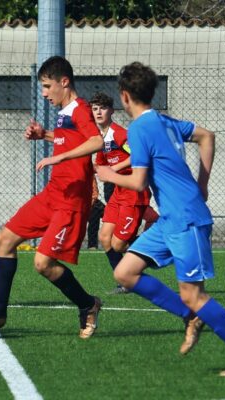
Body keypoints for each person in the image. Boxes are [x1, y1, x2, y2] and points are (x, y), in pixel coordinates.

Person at [96, 62, 225, 376]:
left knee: (194, 294)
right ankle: (190, 317)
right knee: (125, 272)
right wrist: (203, 183)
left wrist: (107, 174)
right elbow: (206, 136)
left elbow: (138, 182)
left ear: (124, 96)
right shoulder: (164, 121)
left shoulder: (139, 127)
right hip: (170, 219)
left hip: (186, 219)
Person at [0, 56, 104, 339]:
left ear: (64, 82)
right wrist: (45, 135)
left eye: (46, 86)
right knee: (5, 240)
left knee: (43, 264)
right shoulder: (65, 111)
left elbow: (96, 141)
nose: (44, 93)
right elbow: (71, 138)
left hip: (70, 201)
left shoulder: (80, 109)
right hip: (52, 194)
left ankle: (88, 304)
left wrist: (62, 156)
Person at [90, 92, 158, 294]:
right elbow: (100, 164)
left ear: (111, 111)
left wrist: (114, 169)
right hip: (118, 193)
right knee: (104, 238)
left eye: (102, 108)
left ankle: (153, 252)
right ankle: (125, 282)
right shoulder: (99, 138)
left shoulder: (119, 134)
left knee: (118, 244)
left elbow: (139, 154)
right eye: (95, 109)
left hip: (133, 192)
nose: (98, 112)